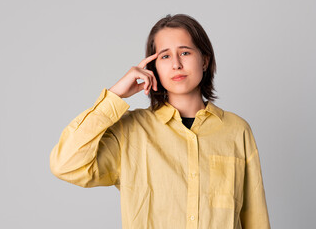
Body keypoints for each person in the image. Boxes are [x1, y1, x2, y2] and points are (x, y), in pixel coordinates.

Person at [50, 13, 271, 229]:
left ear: (204, 60)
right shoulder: (131, 131)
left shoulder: (236, 130)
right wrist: (115, 95)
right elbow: (65, 164)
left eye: (185, 52)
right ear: (153, 68)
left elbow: (254, 217)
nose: (176, 64)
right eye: (165, 56)